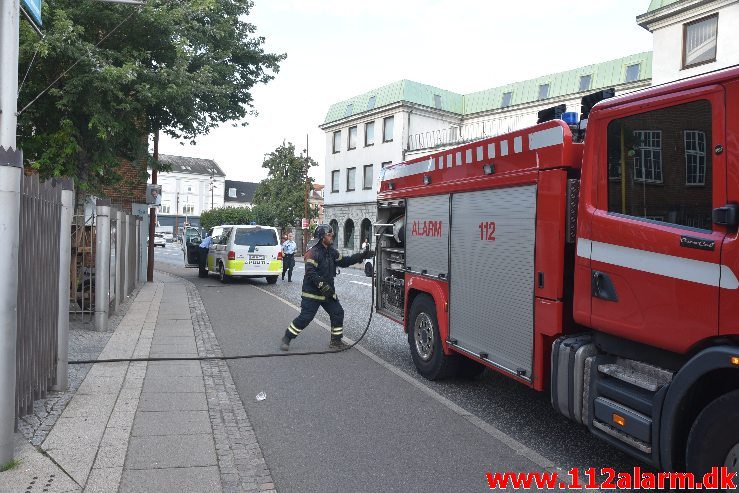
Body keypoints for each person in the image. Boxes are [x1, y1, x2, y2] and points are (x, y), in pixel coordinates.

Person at [280, 224, 373, 351]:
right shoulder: (313, 253)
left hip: (327, 293)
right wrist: (322, 285)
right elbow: (310, 272)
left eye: (331, 235)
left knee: (337, 312)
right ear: (321, 236)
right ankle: (287, 337)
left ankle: (336, 341)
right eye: (329, 235)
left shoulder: (331, 251)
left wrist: (361, 256)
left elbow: (344, 262)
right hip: (312, 293)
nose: (331, 237)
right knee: (306, 318)